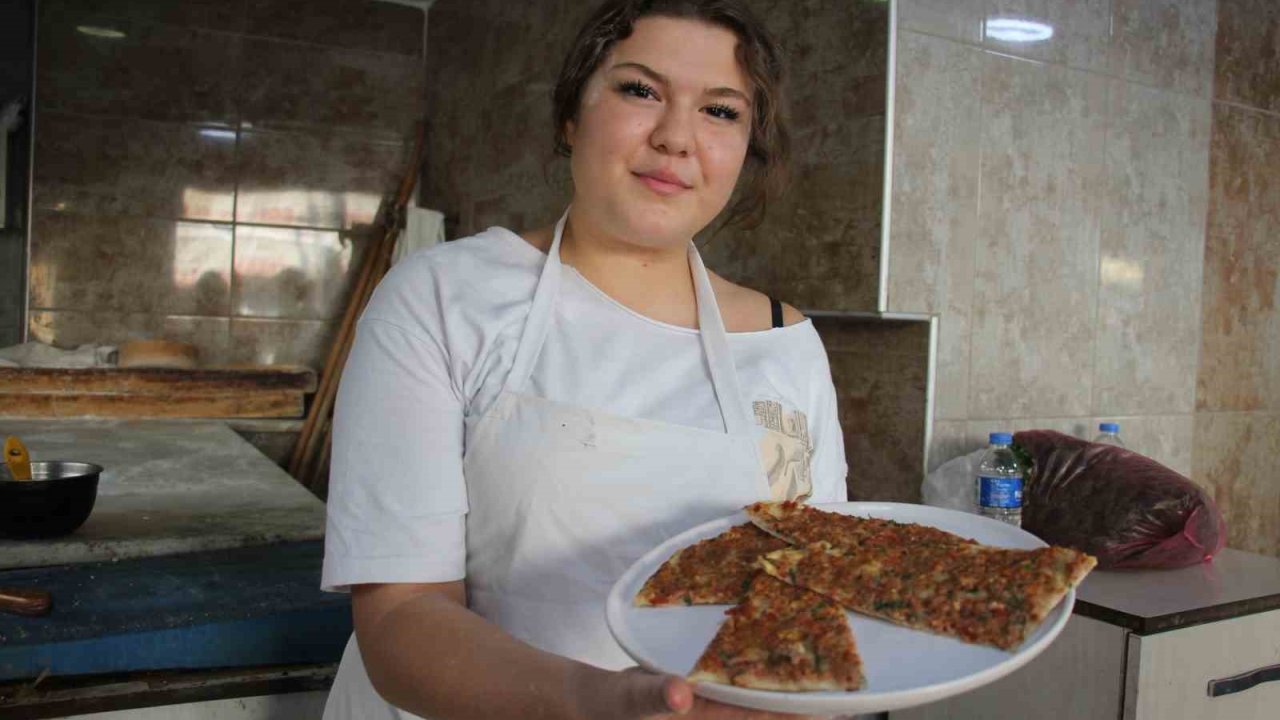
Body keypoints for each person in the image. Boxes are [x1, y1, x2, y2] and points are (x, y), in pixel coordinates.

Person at [321, 1, 849, 717]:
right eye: (640, 91)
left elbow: (813, 595)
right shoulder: (444, 299)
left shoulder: (788, 348)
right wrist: (606, 703)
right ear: (571, 116)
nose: (676, 139)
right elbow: (401, 617)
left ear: (748, 149)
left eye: (720, 112)